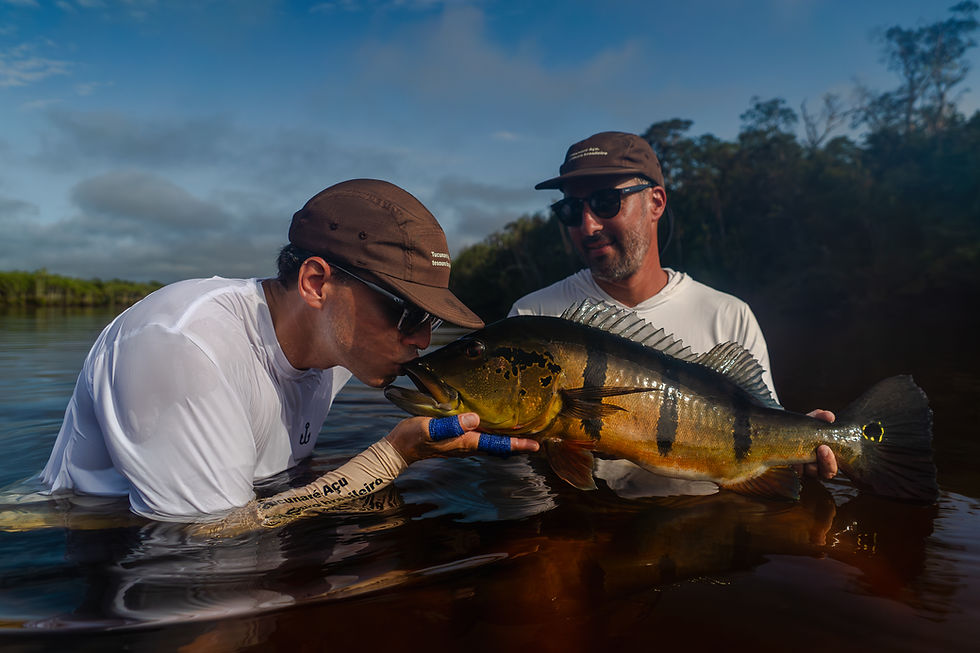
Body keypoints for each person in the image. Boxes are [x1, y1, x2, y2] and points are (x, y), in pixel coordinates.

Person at [39, 178, 539, 531]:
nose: (423, 340)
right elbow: (206, 543)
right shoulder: (182, 348)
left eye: (431, 320)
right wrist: (393, 456)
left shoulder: (336, 345)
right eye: (405, 313)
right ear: (316, 283)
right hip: (102, 546)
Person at [509, 131, 836, 496]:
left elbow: (763, 425)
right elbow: (514, 478)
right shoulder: (532, 317)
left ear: (656, 202)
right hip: (590, 532)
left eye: (605, 202)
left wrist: (803, 443)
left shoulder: (729, 316)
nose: (588, 226)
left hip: (706, 531)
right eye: (569, 209)